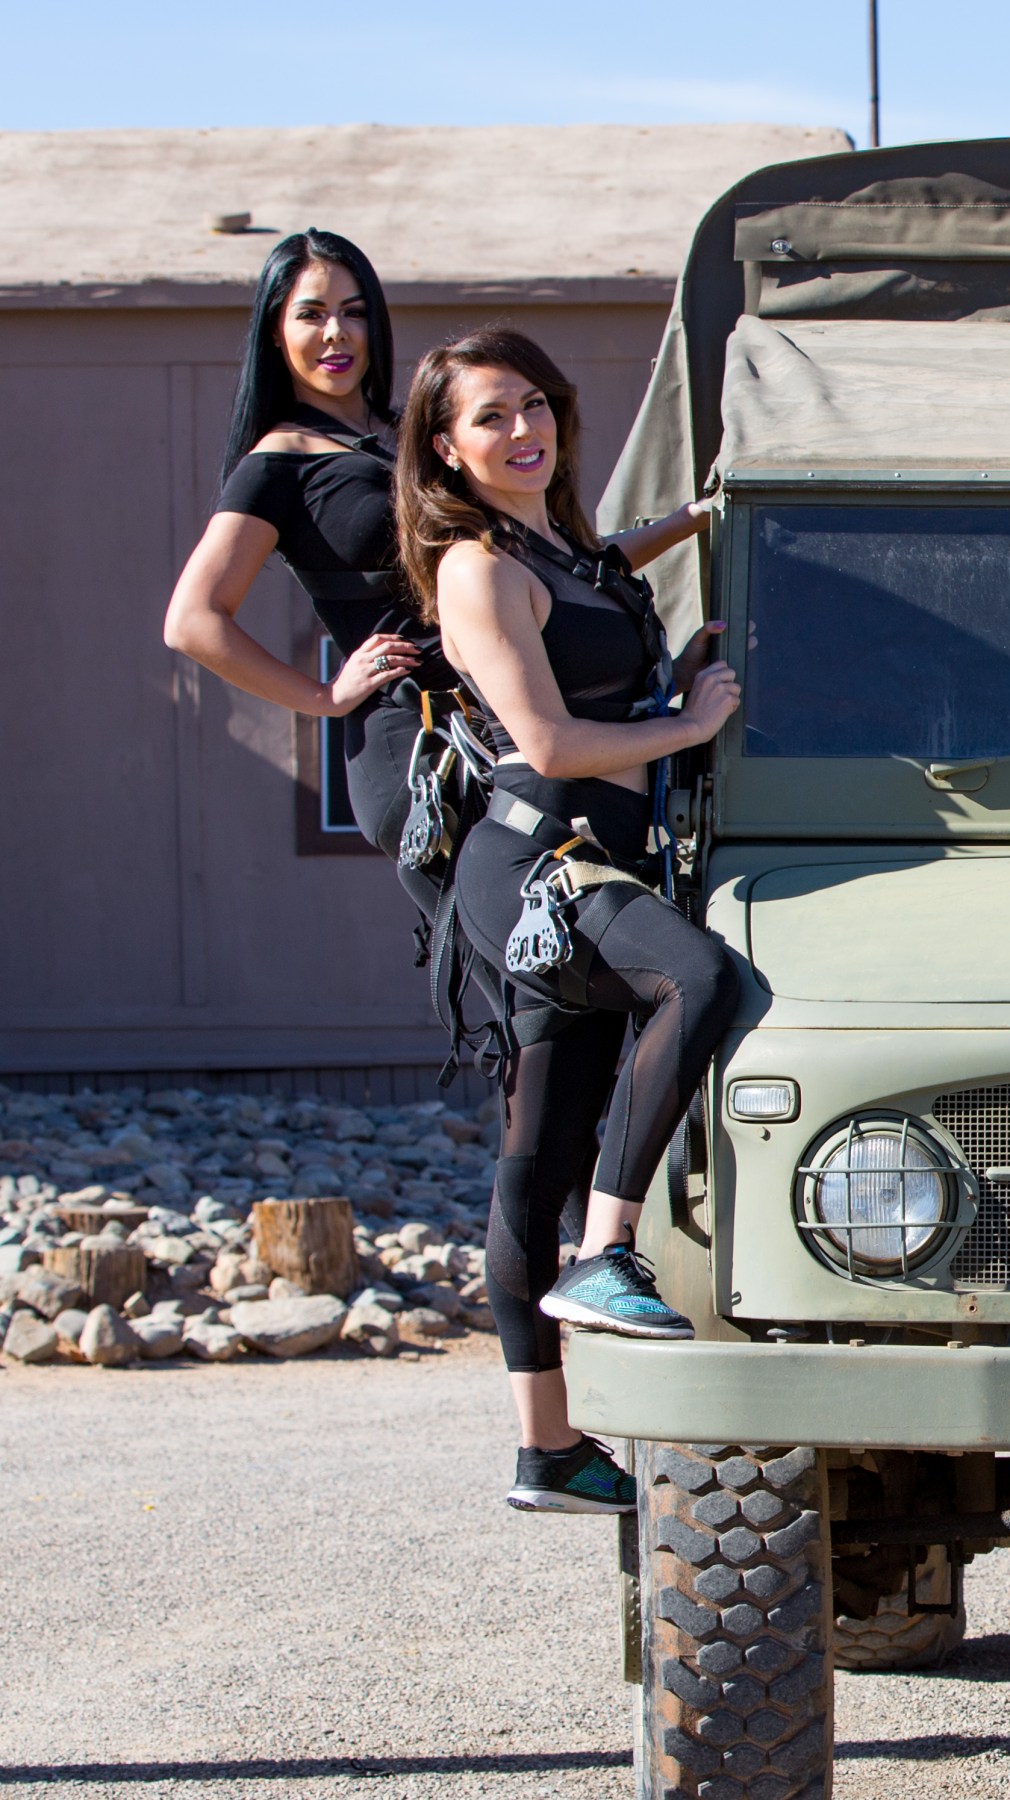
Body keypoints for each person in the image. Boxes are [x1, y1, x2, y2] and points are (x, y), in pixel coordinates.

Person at [395, 326, 734, 1513]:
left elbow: (608, 576)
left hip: (592, 861)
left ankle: (549, 1453)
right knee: (705, 982)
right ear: (444, 447)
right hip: (543, 866)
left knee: (535, 1156)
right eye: (491, 417)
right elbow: (547, 743)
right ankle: (608, 1257)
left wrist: (710, 518)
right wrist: (684, 728)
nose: (523, 429)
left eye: (535, 405)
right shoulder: (478, 568)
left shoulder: (563, 548)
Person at [163, 231, 445, 908]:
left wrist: (683, 524)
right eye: (311, 313)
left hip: (495, 720)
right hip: (412, 743)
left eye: (354, 311)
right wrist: (323, 697)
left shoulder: (419, 431)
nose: (336, 333)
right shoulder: (276, 465)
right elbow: (191, 621)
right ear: (275, 331)